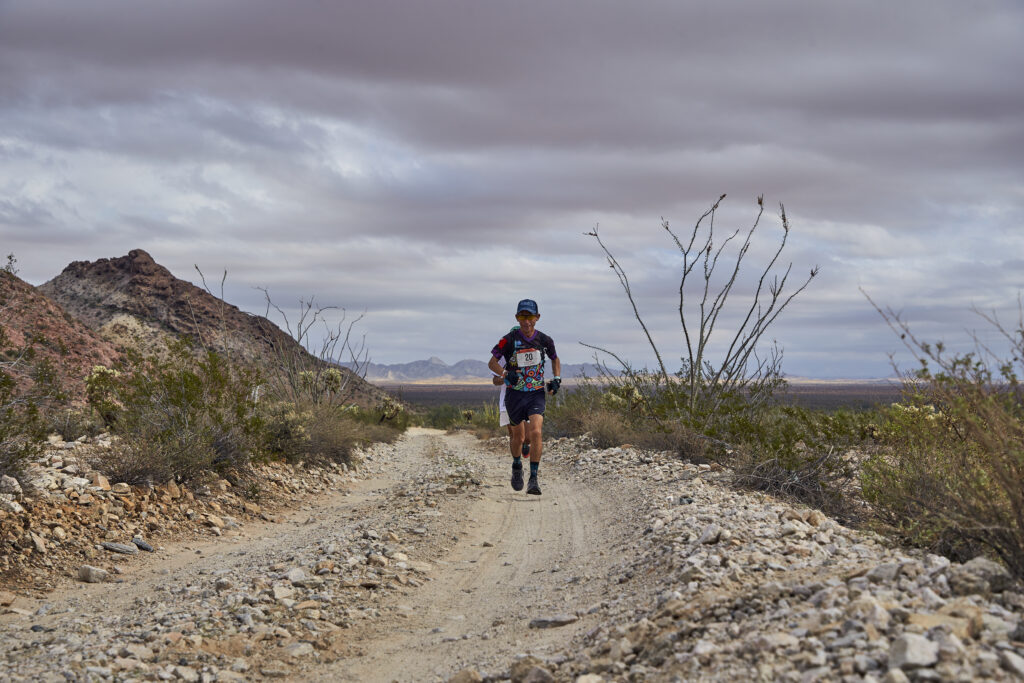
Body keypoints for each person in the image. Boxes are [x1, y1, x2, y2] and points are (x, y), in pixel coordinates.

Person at [488, 299, 561, 495]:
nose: (526, 321)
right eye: (522, 316)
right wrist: (505, 375)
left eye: (530, 317)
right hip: (514, 395)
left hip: (536, 393)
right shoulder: (508, 340)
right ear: (517, 318)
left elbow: (555, 358)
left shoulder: (545, 340)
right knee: (518, 437)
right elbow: (492, 363)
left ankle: (534, 479)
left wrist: (557, 379)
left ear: (537, 318)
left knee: (535, 433)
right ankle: (517, 465)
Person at [492, 328, 530, 461]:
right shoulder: (502, 358)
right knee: (513, 434)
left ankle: (526, 444)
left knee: (527, 436)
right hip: (508, 399)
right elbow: (495, 381)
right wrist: (507, 377)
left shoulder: (530, 356)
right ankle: (516, 463)